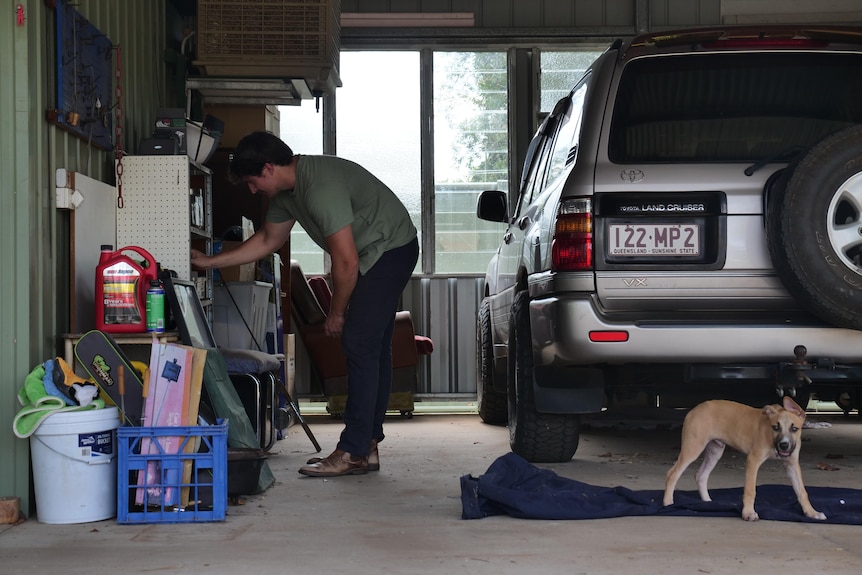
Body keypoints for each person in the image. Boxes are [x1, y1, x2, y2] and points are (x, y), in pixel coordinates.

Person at [191, 131, 418, 478]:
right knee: (370, 343)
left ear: (269, 168)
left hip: (391, 248)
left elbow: (346, 263)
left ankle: (353, 450)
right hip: (374, 252)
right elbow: (268, 239)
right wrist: (209, 262)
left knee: (358, 340)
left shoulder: (319, 188)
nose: (252, 190)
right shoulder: (287, 194)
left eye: (253, 182)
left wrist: (337, 312)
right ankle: (366, 445)